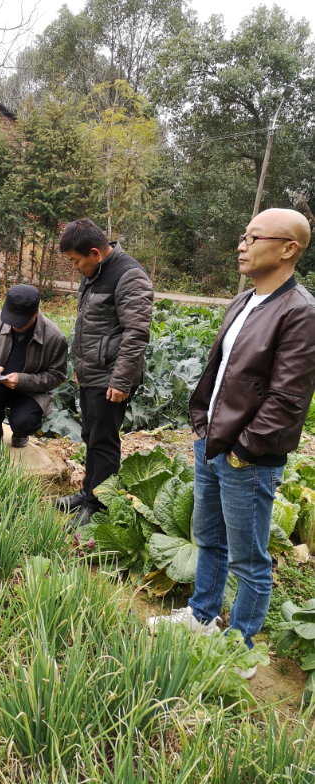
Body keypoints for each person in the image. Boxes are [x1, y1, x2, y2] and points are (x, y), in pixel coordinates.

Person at [149, 208, 315, 679]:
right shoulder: (243, 301)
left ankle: (239, 646)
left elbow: (288, 397)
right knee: (209, 540)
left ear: (288, 249)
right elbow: (220, 372)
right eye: (243, 236)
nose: (241, 245)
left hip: (250, 457)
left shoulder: (300, 312)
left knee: (249, 558)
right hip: (212, 443)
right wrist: (201, 424)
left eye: (253, 237)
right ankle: (202, 616)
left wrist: (244, 449)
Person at [56, 219, 154, 526]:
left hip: (112, 376)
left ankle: (98, 505)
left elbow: (136, 332)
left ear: (95, 253)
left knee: (103, 440)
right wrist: (80, 365)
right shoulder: (94, 273)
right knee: (91, 435)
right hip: (92, 372)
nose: (75, 267)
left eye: (76, 261)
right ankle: (88, 492)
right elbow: (90, 325)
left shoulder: (129, 275)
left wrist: (121, 380)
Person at [0, 284, 68, 451]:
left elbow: (57, 376)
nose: (15, 325)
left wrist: (23, 380)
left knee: (25, 423)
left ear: (36, 313)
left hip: (31, 392)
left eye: (20, 322)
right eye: (11, 319)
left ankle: (20, 433)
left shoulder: (55, 338)